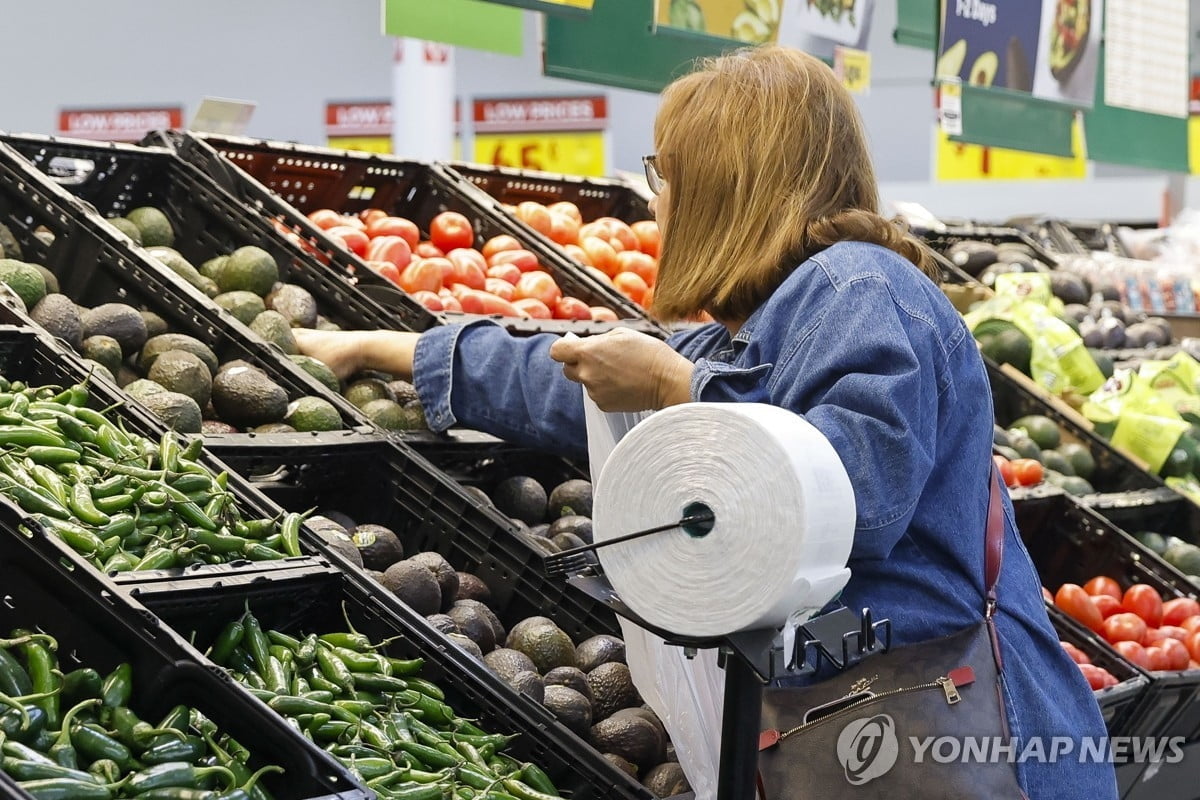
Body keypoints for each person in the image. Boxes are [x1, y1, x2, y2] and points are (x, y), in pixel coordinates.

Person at [296, 46, 1118, 798]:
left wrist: (677, 385)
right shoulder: (773, 315)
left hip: (968, 742)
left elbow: (854, 496)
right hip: (863, 725)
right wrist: (379, 347)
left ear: (730, 178)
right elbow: (569, 378)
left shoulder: (861, 291)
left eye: (665, 169)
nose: (658, 194)